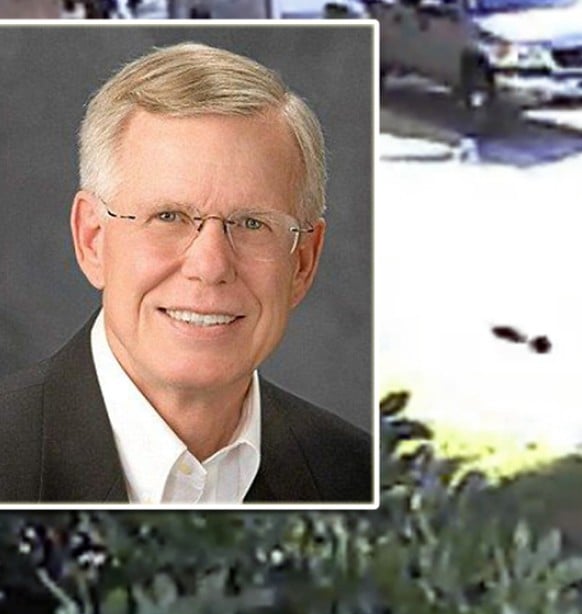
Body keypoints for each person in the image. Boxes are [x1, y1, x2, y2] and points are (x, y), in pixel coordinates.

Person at [0, 42, 372, 505]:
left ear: (303, 261)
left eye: (252, 223)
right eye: (169, 217)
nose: (211, 266)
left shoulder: (359, 476)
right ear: (93, 239)